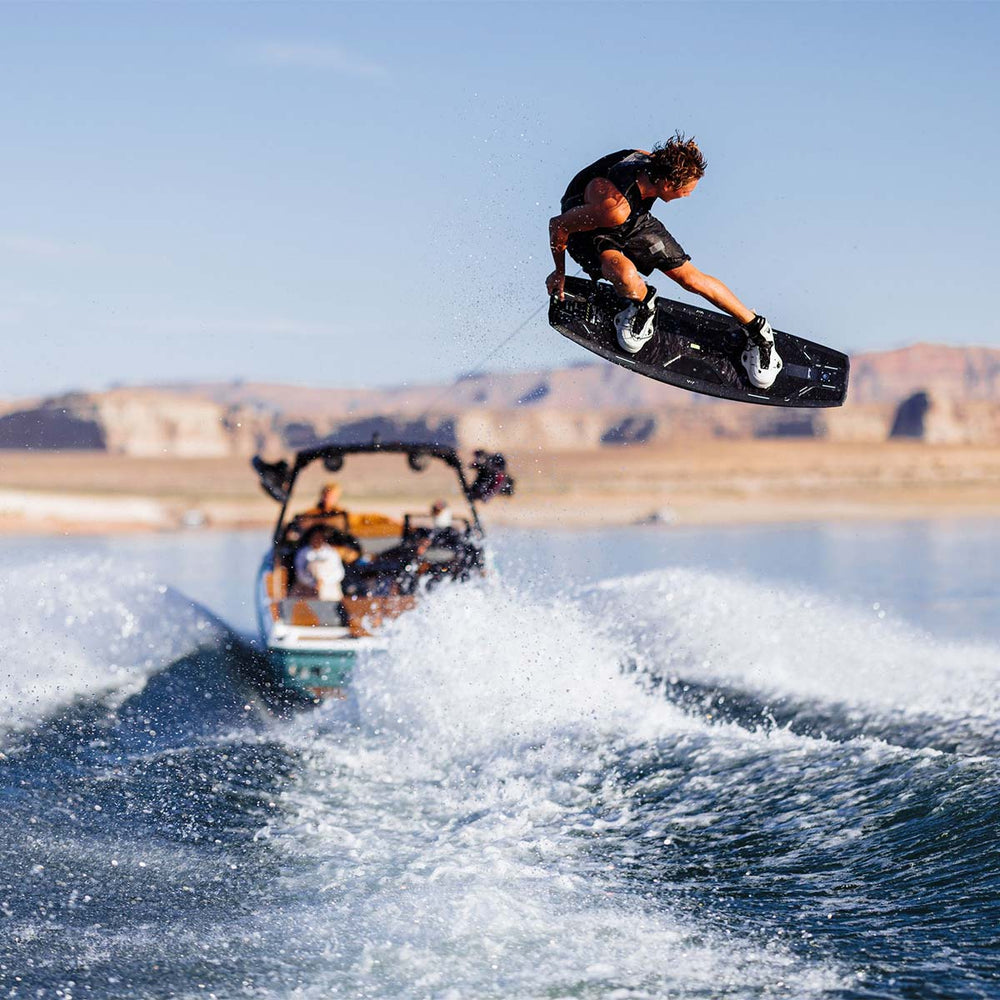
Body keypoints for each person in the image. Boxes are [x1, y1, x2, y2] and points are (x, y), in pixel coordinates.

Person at [546, 133, 782, 389]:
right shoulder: (614, 207)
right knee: (625, 275)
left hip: (633, 220)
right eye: (687, 190)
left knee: (691, 278)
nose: (688, 195)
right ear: (668, 184)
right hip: (592, 229)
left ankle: (759, 330)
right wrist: (559, 271)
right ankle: (642, 305)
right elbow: (558, 225)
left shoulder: (653, 163)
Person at [293, 526, 346, 601]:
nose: (316, 540)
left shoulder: (331, 553)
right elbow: (300, 573)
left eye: (319, 538)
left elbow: (339, 573)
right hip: (308, 588)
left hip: (330, 587)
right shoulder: (303, 553)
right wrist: (313, 583)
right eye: (314, 538)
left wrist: (323, 581)